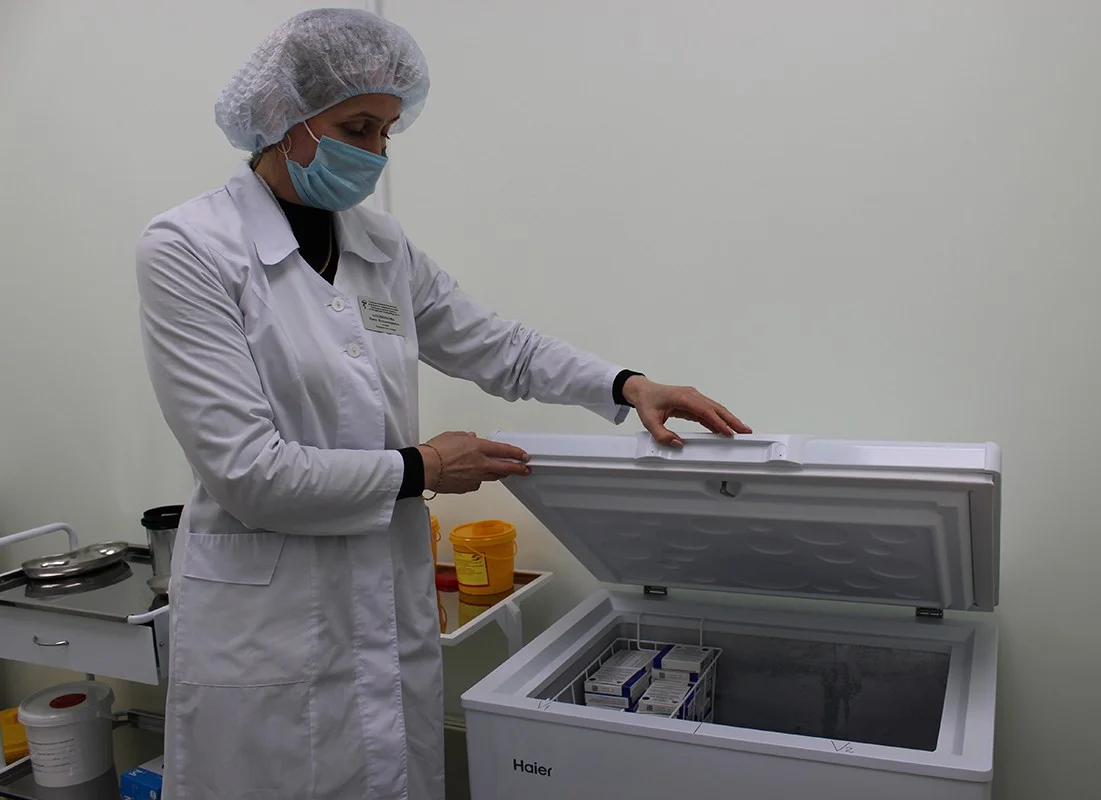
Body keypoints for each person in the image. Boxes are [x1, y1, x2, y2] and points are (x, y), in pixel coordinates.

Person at [135, 8, 749, 800]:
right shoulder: (189, 249)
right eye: (356, 127)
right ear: (284, 119)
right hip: (266, 630)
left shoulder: (379, 247)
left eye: (387, 131)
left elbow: (500, 345)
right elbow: (248, 473)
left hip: (383, 607)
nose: (374, 152)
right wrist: (423, 467)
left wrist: (626, 386)